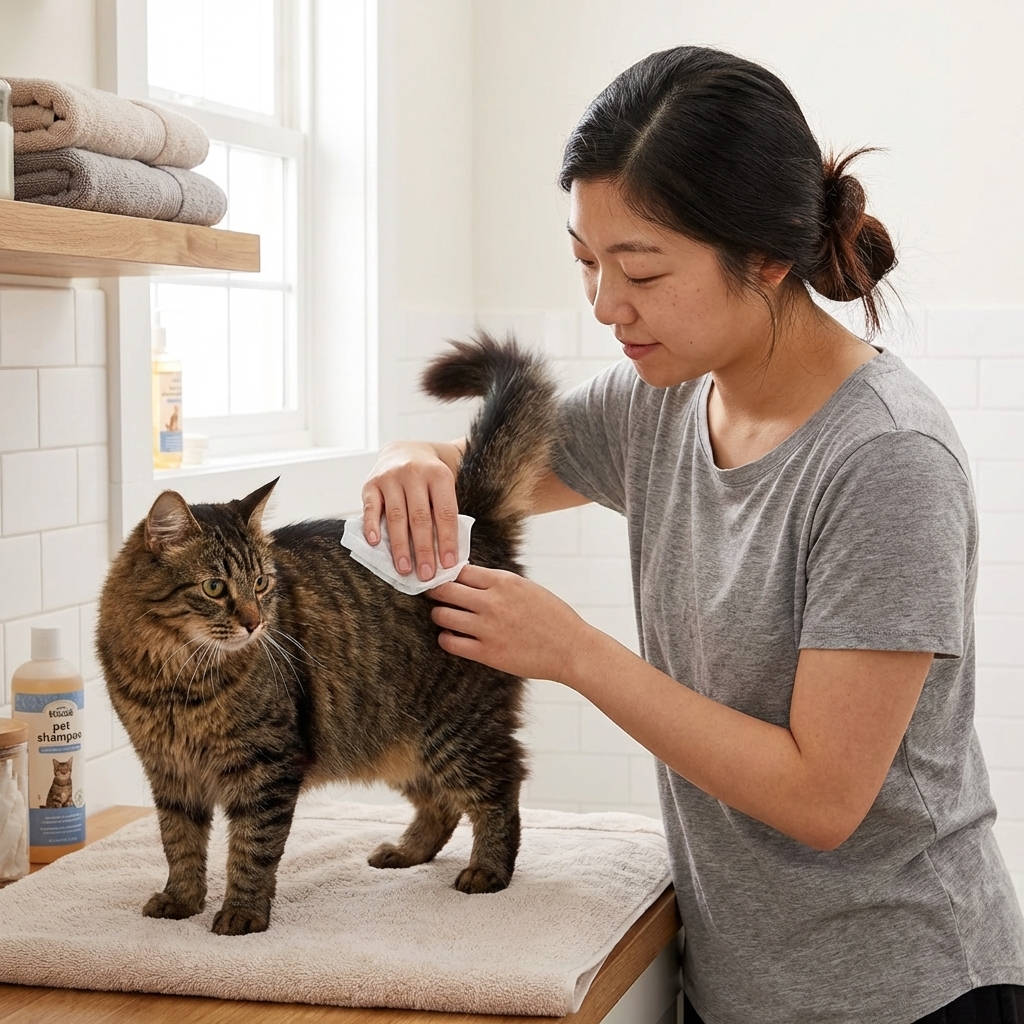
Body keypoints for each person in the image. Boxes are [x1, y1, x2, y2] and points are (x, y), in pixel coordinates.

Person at [361, 47, 1024, 1024]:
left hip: (906, 993)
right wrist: (403, 456)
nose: (604, 305)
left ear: (766, 257)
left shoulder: (886, 459)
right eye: (586, 263)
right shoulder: (658, 399)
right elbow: (472, 473)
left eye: (640, 269)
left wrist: (574, 653)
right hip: (737, 982)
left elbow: (820, 799)